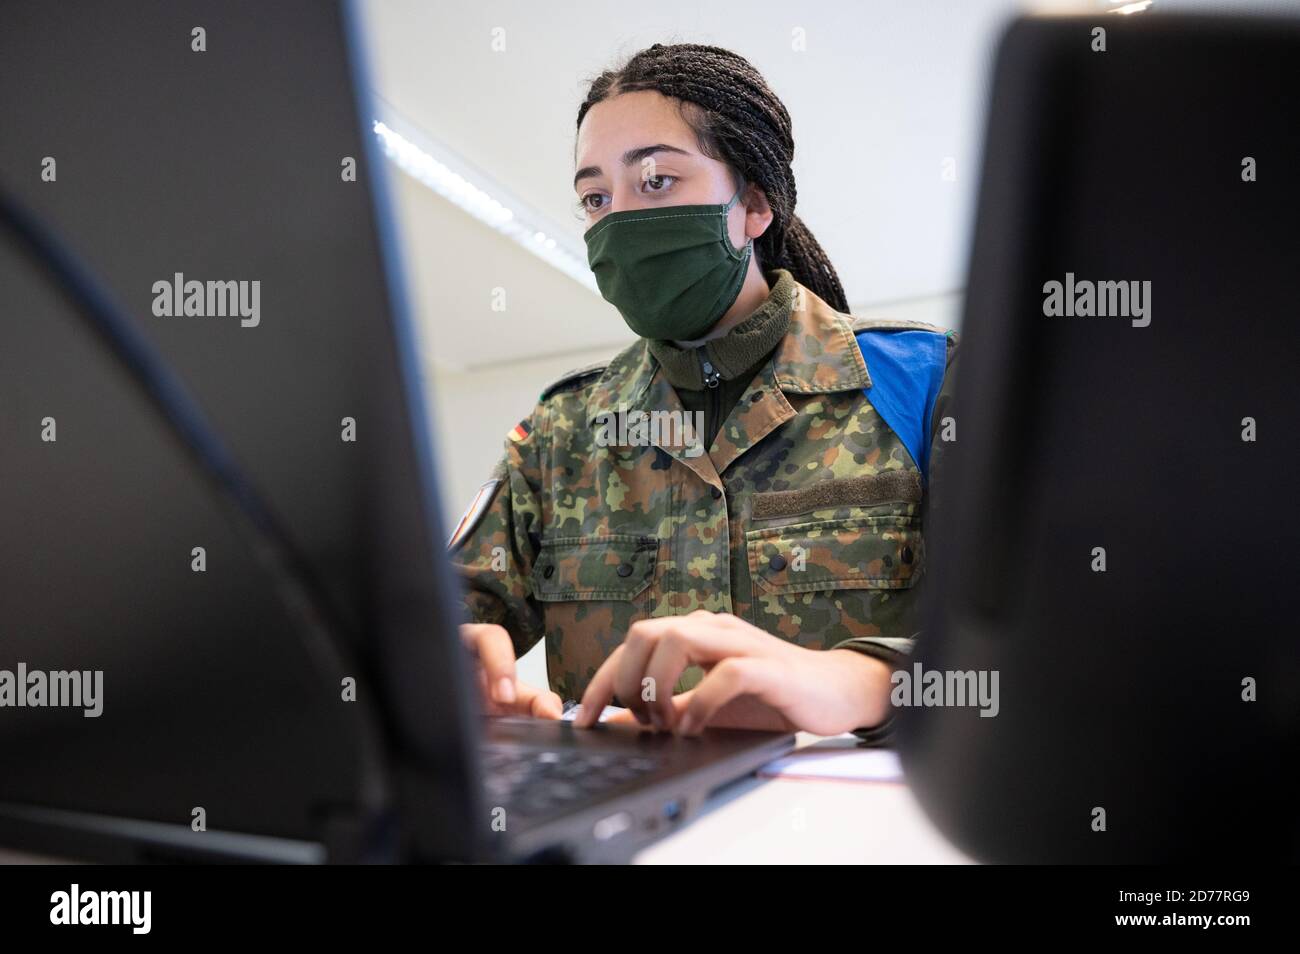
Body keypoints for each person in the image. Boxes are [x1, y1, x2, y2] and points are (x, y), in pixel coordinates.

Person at [449, 42, 957, 743]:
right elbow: (446, 610)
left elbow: (1044, 635)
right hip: (627, 835)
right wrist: (448, 662)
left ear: (753, 204)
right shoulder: (561, 433)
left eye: (656, 181)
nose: (619, 219)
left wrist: (866, 679)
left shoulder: (922, 382)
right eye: (595, 198)